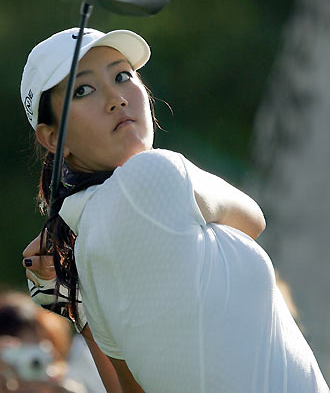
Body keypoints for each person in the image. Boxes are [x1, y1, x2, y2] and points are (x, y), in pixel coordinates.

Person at [20, 27, 329, 392]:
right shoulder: (152, 172)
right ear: (54, 138)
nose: (116, 99)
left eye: (122, 76)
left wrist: (75, 305)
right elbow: (253, 219)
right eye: (83, 90)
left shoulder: (86, 252)